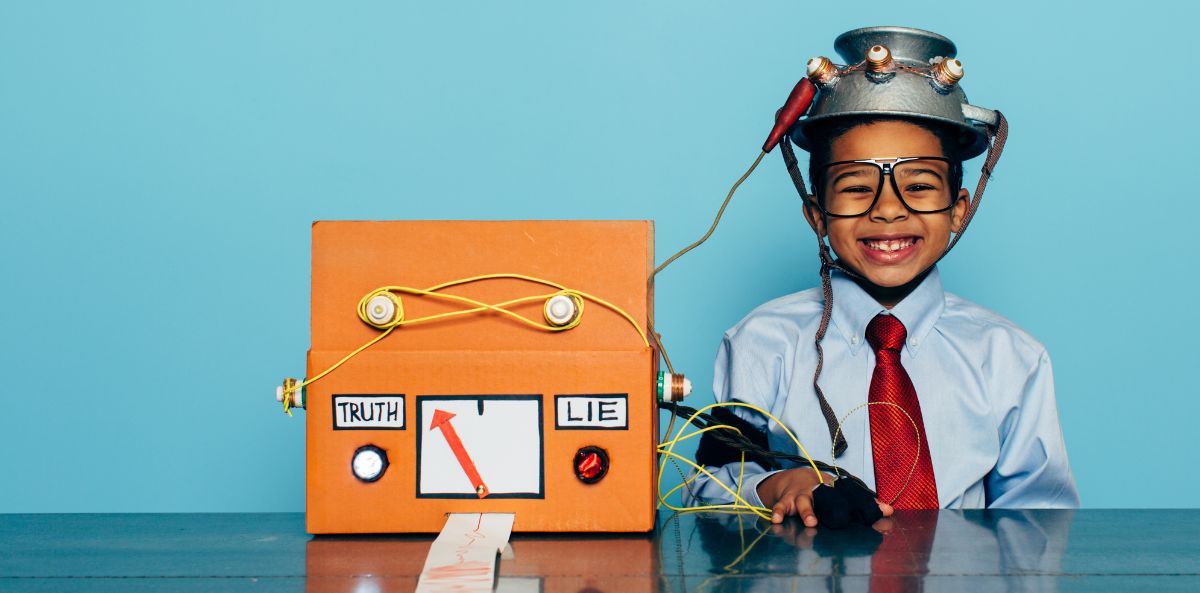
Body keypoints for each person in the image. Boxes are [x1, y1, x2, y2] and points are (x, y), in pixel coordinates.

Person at [687, 27, 1080, 526]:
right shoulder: (762, 343)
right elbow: (707, 485)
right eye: (856, 187)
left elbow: (1042, 522)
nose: (889, 210)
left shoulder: (1011, 358)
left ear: (958, 209)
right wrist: (771, 484)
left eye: (918, 185)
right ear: (816, 214)